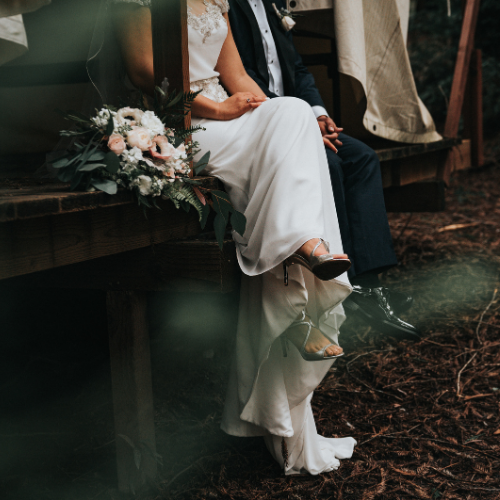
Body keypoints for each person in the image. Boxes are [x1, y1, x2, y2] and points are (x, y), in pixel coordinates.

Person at [103, 0, 357, 475]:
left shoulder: (216, 0)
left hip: (230, 116)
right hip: (183, 125)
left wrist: (276, 117)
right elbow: (147, 78)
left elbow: (238, 77)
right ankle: (305, 265)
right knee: (293, 127)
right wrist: (220, 109)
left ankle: (300, 245)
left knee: (295, 112)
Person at [227, 0, 420, 339]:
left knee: (361, 158)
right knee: (327, 164)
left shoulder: (273, 5)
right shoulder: (227, 6)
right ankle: (338, 289)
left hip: (301, 117)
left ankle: (369, 287)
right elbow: (240, 79)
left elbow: (298, 70)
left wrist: (317, 114)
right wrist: (299, 124)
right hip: (263, 122)